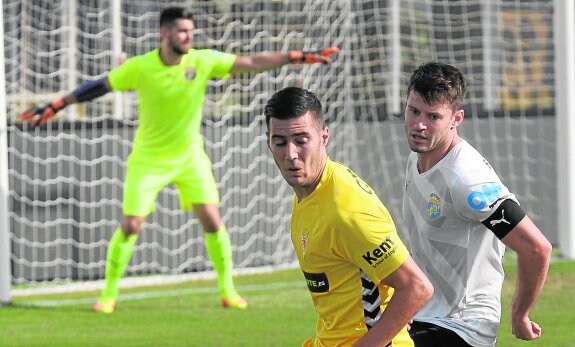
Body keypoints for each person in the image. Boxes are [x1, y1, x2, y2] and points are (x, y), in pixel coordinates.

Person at [19, 7, 340, 313]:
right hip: (148, 158)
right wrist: (56, 104)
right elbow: (99, 86)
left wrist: (295, 56)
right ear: (164, 33)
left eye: (190, 31)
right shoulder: (141, 67)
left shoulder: (202, 61)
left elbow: (251, 60)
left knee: (212, 220)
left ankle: (228, 291)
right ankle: (108, 295)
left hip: (190, 156)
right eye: (182, 31)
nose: (188, 37)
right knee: (131, 225)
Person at [265, 86, 433, 347]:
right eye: (280, 142)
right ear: (268, 142)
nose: (291, 154)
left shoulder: (346, 209)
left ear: (324, 137)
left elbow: (416, 288)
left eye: (301, 140)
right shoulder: (309, 195)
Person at [401, 62, 552, 347]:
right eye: (414, 111)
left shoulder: (468, 181)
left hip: (462, 327)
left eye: (433, 116)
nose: (419, 125)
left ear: (456, 119)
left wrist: (520, 314)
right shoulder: (417, 158)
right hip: (425, 314)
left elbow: (536, 248)